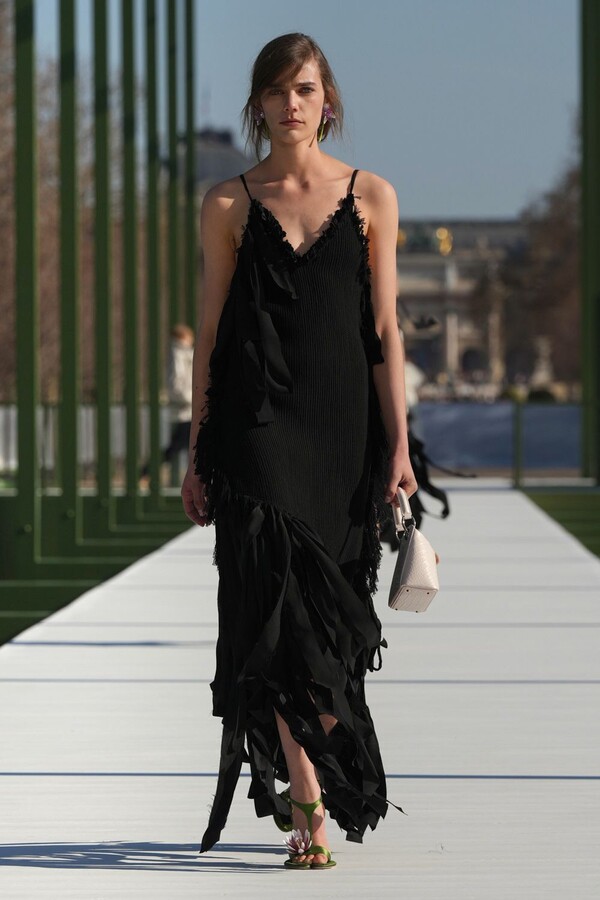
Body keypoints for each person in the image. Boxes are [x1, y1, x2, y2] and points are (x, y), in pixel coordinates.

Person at [180, 32, 417, 870]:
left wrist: (399, 445)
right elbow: (212, 332)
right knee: (273, 616)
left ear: (328, 102)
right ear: (257, 104)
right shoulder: (227, 203)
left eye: (305, 89)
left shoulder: (373, 196)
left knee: (331, 629)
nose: (291, 105)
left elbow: (384, 329)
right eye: (277, 91)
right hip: (256, 433)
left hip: (344, 434)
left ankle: (319, 769)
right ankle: (309, 801)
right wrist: (198, 446)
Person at [140, 324, 194, 481]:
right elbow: (176, 385)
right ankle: (144, 473)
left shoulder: (183, 354)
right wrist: (192, 398)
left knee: (176, 448)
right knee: (175, 448)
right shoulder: (179, 355)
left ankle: (144, 473)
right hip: (187, 410)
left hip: (187, 410)